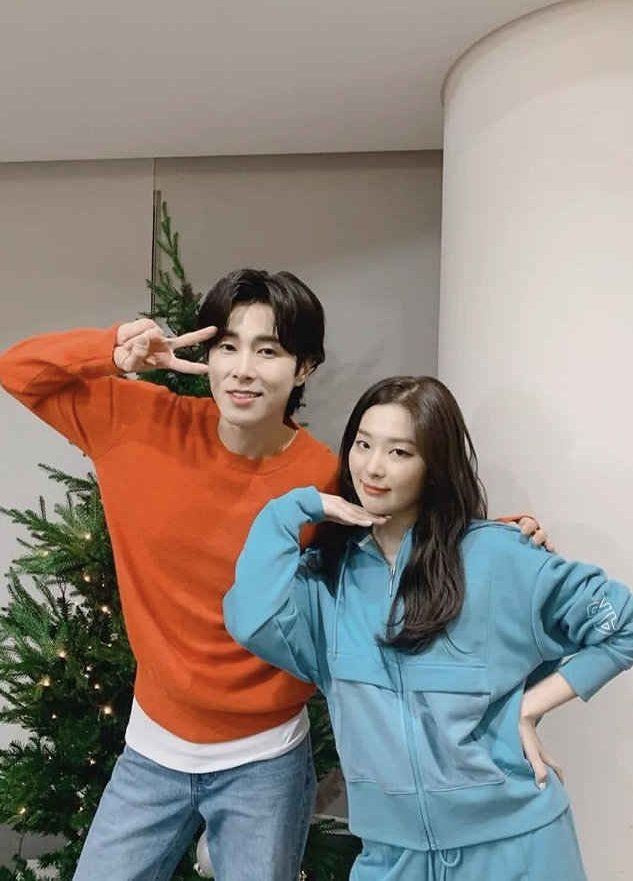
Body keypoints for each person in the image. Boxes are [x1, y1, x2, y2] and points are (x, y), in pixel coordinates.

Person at [0, 271, 548, 881]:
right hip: (152, 748)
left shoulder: (325, 480)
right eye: (227, 346)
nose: (242, 370)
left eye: (268, 351)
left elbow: (406, 546)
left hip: (266, 761)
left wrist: (496, 541)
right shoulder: (135, 422)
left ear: (303, 367)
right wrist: (111, 349)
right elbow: (16, 370)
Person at [225, 374, 633, 881]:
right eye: (363, 444)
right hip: (392, 856)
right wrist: (288, 511)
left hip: (515, 848)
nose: (373, 466)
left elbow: (623, 624)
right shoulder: (328, 578)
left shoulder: (497, 555)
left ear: (434, 466)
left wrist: (527, 709)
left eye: (399, 452)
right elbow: (252, 621)